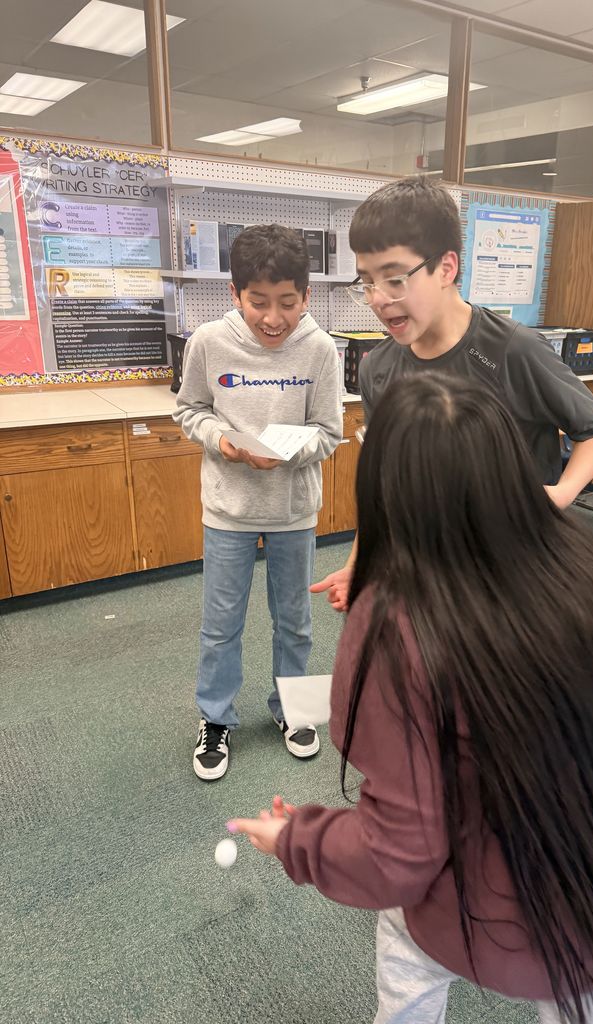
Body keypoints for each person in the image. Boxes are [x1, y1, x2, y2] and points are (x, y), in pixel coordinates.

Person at [230, 374, 593, 1024]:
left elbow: (400, 853)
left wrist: (299, 840)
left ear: (387, 493)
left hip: (565, 896)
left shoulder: (394, 624)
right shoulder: (574, 560)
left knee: (407, 922)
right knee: (416, 928)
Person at [311, 175, 593, 613]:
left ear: (447, 268)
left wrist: (558, 495)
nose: (378, 299)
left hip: (514, 571)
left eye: (395, 279)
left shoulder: (512, 349)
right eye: (367, 281)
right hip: (429, 572)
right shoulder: (378, 367)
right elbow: (382, 484)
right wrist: (361, 561)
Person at [174, 224, 342, 779]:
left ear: (306, 297)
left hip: (293, 510)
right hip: (228, 510)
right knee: (220, 624)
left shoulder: (320, 349)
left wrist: (286, 452)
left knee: (294, 621)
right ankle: (215, 720)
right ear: (235, 293)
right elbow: (190, 409)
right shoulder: (208, 342)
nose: (274, 318)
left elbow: (328, 431)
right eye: (258, 302)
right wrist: (223, 441)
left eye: (288, 303)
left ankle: (296, 712)